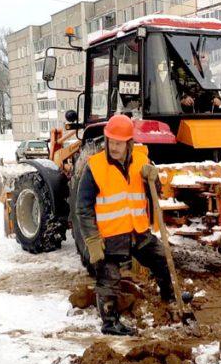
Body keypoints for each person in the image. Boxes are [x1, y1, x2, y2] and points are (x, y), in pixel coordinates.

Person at [75, 114, 175, 336]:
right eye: (110, 142)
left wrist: (153, 178)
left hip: (137, 232)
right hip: (110, 236)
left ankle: (169, 295)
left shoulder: (141, 161)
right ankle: (110, 322)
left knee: (161, 258)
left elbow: (155, 192)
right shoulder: (95, 167)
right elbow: (83, 208)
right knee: (109, 278)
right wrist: (92, 240)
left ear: (129, 143)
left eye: (118, 143)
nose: (113, 147)